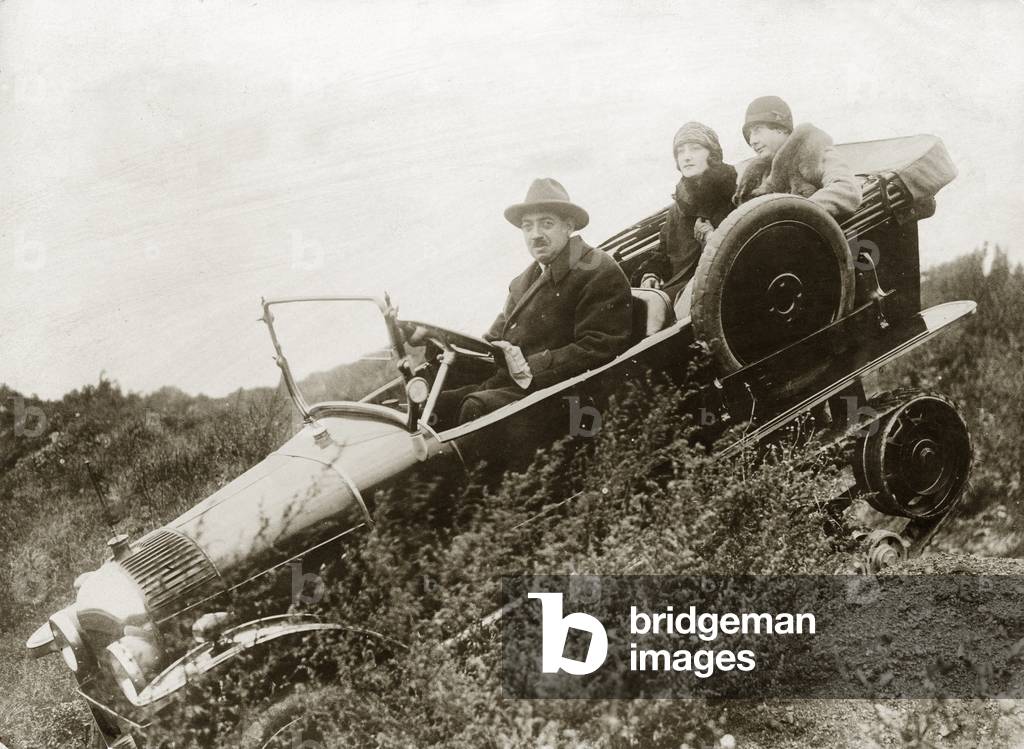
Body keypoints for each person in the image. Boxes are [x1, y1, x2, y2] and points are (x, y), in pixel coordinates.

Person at [437, 178, 633, 426]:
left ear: (568, 226)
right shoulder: (523, 281)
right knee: (436, 400)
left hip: (565, 395)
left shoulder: (597, 269)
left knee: (475, 408)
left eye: (546, 224)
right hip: (521, 384)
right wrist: (437, 340)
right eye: (527, 227)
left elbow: (600, 345)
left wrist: (531, 366)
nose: (535, 235)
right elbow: (493, 339)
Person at [633, 122, 737, 303]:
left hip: (715, 293)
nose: (686, 157)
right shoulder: (679, 207)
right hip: (676, 291)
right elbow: (663, 252)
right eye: (680, 151)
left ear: (712, 154)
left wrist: (712, 238)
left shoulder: (734, 195)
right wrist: (652, 273)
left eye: (695, 149)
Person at [733, 95, 862, 219]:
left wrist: (793, 216)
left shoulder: (814, 152)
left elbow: (846, 189)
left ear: (781, 129)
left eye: (757, 130)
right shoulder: (758, 175)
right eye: (749, 135)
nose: (752, 141)